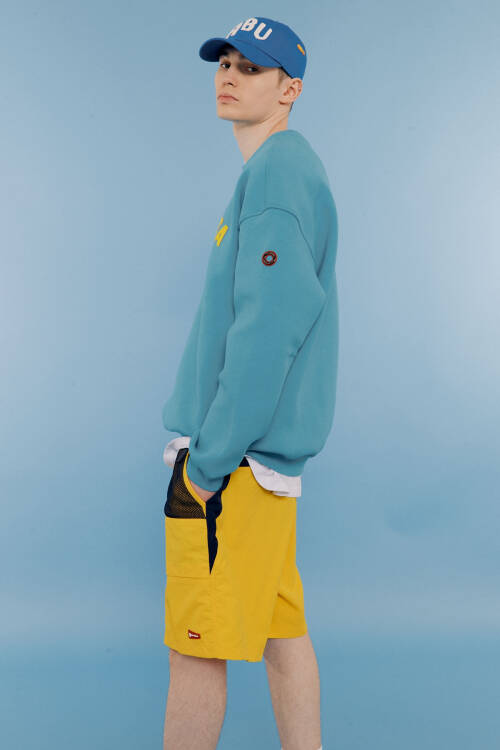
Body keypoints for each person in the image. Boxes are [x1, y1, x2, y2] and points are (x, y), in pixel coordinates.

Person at [161, 15, 338, 750]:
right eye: (225, 62)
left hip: (231, 466)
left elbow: (267, 335)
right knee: (280, 632)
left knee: (196, 647)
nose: (229, 76)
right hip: (262, 469)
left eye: (252, 68)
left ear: (289, 89)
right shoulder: (280, 171)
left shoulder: (276, 175)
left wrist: (205, 465)